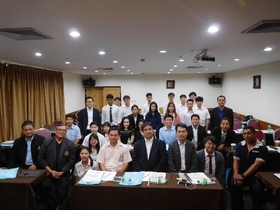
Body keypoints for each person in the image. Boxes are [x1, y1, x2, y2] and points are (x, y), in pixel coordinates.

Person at [230, 126, 268, 210]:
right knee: (233, 185)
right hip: (241, 173)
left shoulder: (262, 148)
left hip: (255, 175)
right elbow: (236, 160)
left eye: (249, 133)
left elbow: (256, 165)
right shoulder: (240, 145)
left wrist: (243, 176)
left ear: (254, 134)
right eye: (244, 134)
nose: (246, 136)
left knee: (257, 190)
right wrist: (236, 174)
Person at [38, 124, 75, 210]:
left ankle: (60, 207)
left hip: (63, 173)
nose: (61, 132)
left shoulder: (70, 144)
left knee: (62, 191)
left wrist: (62, 172)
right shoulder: (47, 142)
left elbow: (71, 161)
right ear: (55, 131)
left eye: (64, 131)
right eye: (59, 130)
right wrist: (51, 172)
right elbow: (41, 159)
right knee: (45, 187)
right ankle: (53, 206)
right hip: (49, 172)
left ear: (66, 132)